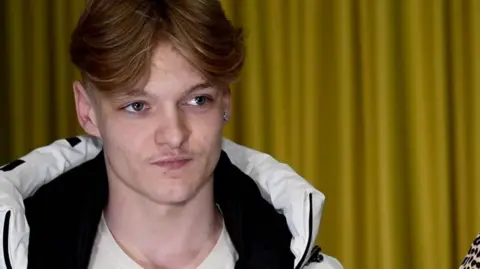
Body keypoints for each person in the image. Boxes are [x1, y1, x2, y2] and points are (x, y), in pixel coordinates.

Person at [0, 0, 342, 268]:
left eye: (197, 100)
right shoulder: (24, 255)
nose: (174, 135)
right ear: (87, 111)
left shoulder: (295, 259)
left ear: (225, 102)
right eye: (137, 106)